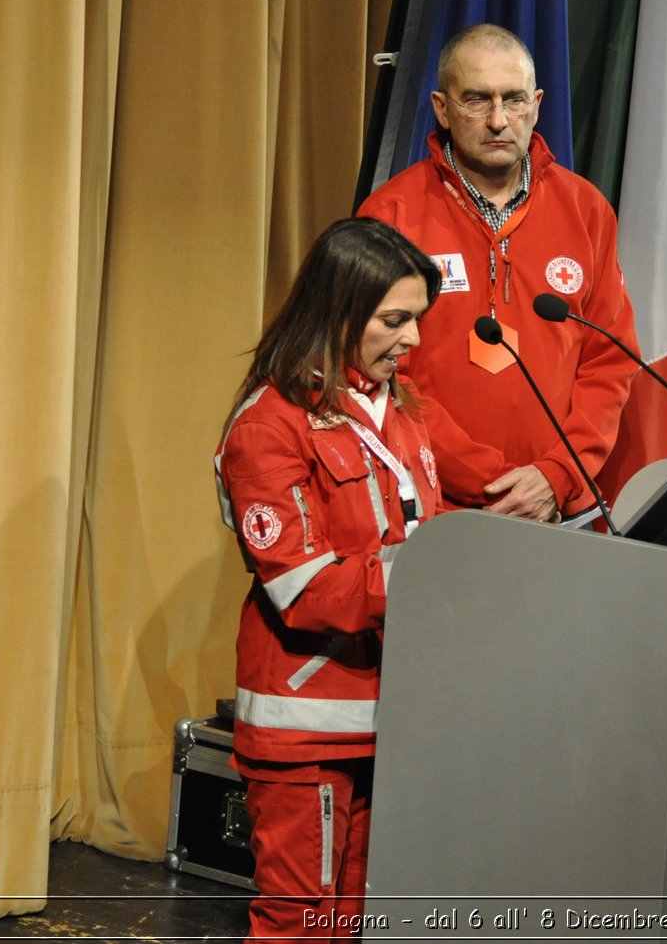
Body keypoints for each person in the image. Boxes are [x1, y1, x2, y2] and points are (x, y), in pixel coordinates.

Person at [213, 217, 442, 940]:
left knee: (358, 924)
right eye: (394, 320)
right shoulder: (269, 425)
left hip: (393, 718)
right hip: (306, 724)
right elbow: (306, 591)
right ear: (339, 312)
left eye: (417, 319)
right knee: (301, 923)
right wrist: (439, 569)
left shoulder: (399, 407)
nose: (412, 339)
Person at [359, 23, 637, 523]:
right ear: (442, 109)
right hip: (435, 508)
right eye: (476, 100)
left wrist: (557, 474)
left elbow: (609, 362)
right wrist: (491, 482)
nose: (497, 120)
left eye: (513, 100)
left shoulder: (586, 210)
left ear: (537, 104)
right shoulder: (390, 218)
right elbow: (381, 376)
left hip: (556, 508)